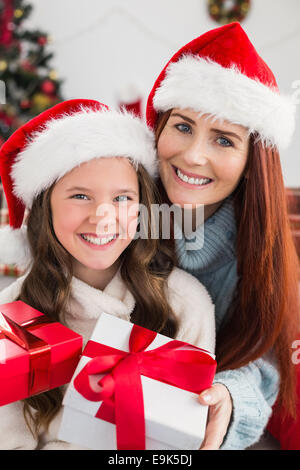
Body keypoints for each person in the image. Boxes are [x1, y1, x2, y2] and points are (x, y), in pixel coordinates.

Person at [0, 99, 215, 450]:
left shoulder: (184, 304)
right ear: (46, 207)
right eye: (80, 195)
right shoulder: (13, 309)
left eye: (121, 198)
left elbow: (179, 444)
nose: (102, 217)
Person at [146, 22, 300, 450]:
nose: (194, 155)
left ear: (253, 160)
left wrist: (229, 396)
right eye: (182, 126)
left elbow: (265, 358)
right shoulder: (121, 210)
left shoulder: (256, 249)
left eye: (224, 139)